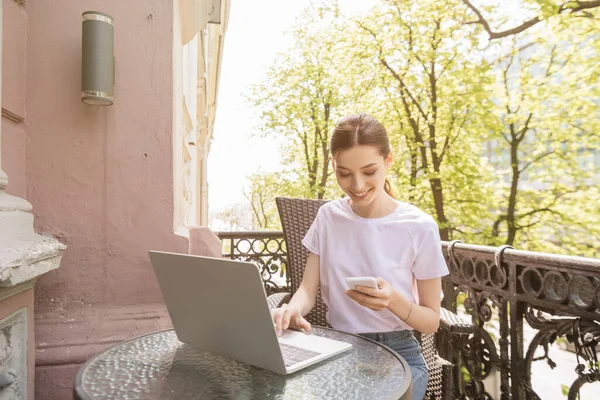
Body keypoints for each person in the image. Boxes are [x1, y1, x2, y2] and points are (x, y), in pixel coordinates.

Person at [271, 113, 449, 400]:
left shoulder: (419, 226)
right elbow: (307, 289)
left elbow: (431, 321)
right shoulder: (328, 216)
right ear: (333, 166)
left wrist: (394, 302)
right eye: (344, 173)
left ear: (388, 161)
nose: (357, 185)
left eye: (369, 172)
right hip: (338, 347)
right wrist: (292, 309)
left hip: (398, 353)